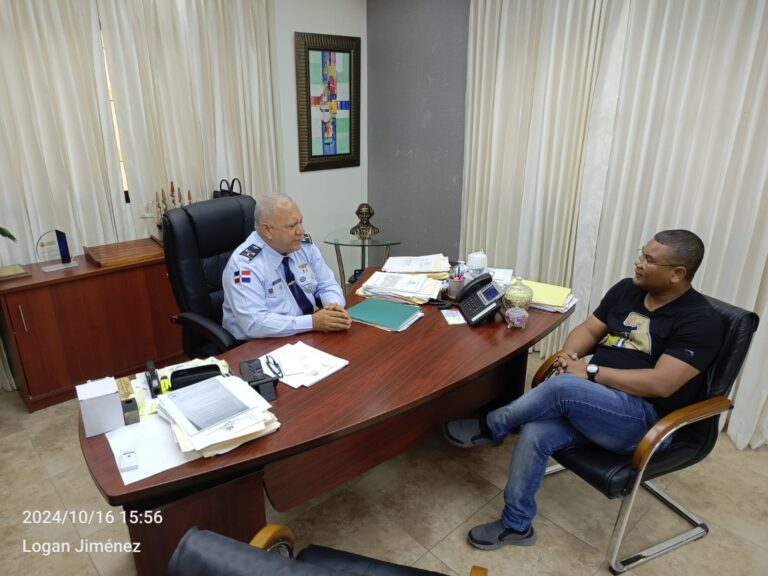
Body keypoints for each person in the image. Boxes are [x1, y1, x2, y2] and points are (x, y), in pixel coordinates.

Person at [443, 230, 723, 550]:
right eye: (640, 253)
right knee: (535, 431)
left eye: (649, 259)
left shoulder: (700, 321)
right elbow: (590, 329)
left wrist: (589, 372)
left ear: (677, 273)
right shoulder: (627, 290)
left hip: (644, 421)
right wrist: (569, 356)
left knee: (564, 386)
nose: (638, 263)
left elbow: (663, 383)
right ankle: (516, 525)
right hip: (595, 405)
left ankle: (492, 425)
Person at [222, 194, 351, 339]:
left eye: (301, 222)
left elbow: (327, 284)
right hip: (261, 344)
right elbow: (255, 324)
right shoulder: (245, 266)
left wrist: (333, 306)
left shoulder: (302, 245)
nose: (300, 231)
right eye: (292, 226)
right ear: (267, 230)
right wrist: (312, 322)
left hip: (307, 331)